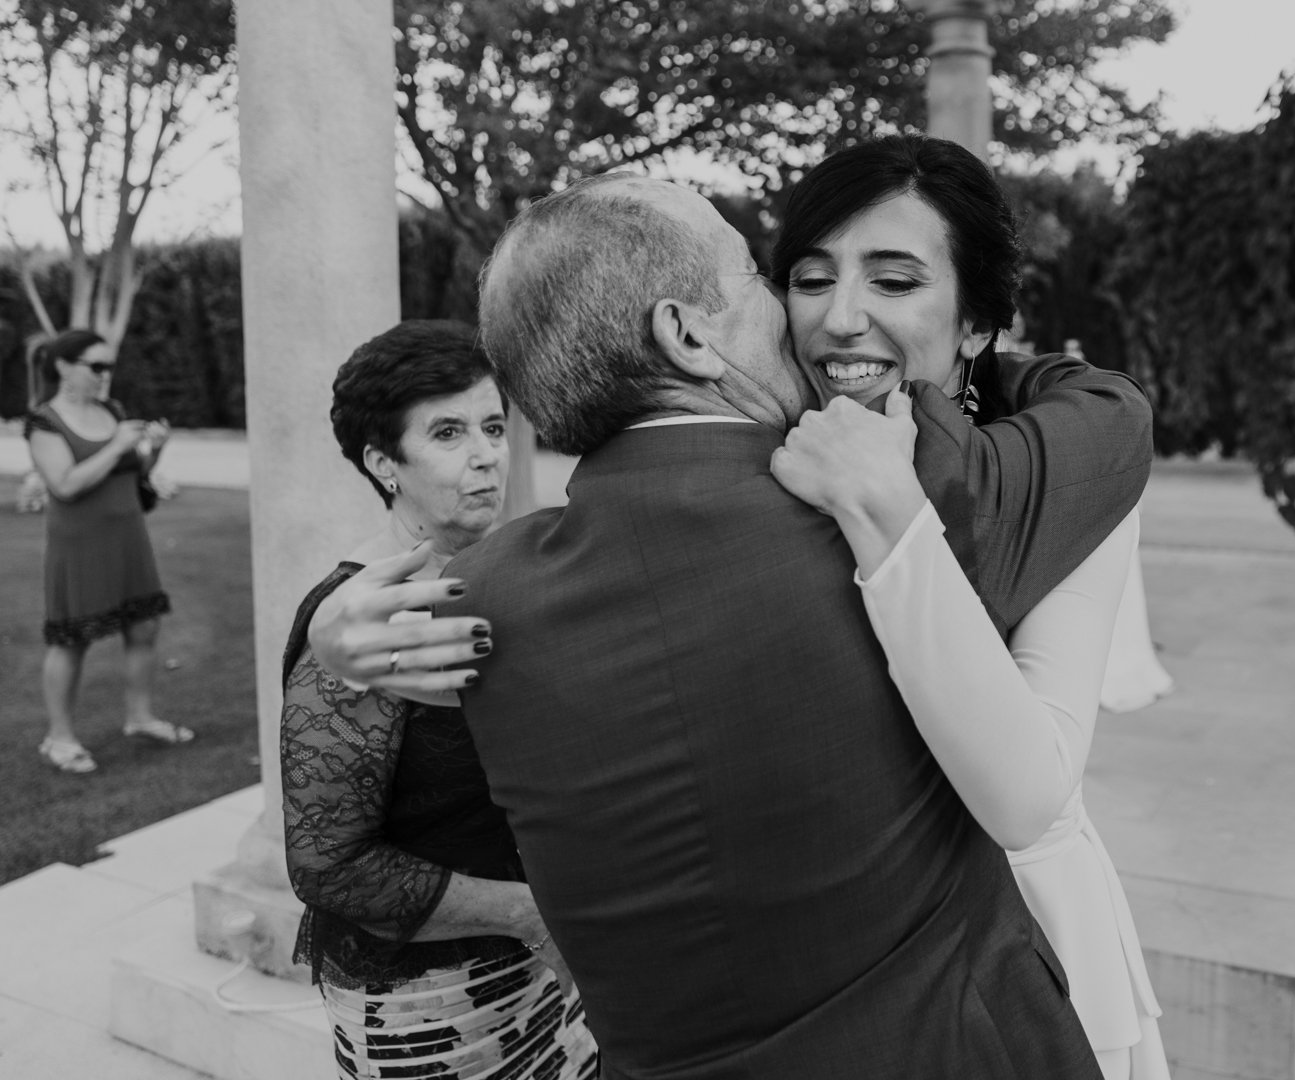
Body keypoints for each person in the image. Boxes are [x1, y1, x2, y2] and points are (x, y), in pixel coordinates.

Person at [305, 183, 1151, 1074]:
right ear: (688, 334)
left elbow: (353, 828)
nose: (796, 314)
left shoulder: (476, 598)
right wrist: (979, 360)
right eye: (761, 277)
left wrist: (326, 648)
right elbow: (1113, 419)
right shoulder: (891, 494)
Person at [768, 134, 1169, 1080]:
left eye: (895, 282)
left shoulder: (1070, 474)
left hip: (1022, 957)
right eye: (811, 277)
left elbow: (1028, 795)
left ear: (979, 323)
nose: (840, 317)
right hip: (818, 963)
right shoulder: (774, 452)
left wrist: (892, 514)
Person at [278, 320, 597, 1080]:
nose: (487, 454)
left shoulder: (494, 575)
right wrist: (528, 915)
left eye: (493, 426)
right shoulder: (355, 625)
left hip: (546, 978)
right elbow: (328, 867)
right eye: (448, 433)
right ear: (384, 463)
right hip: (433, 1008)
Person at [24, 329, 188, 774]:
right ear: (63, 367)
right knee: (73, 639)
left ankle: (140, 718)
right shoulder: (45, 422)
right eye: (96, 366)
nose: (104, 375)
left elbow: (134, 473)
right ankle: (59, 739)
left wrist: (154, 450)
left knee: (144, 626)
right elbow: (65, 485)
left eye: (109, 367)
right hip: (79, 545)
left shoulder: (111, 411)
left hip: (128, 536)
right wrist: (116, 444)